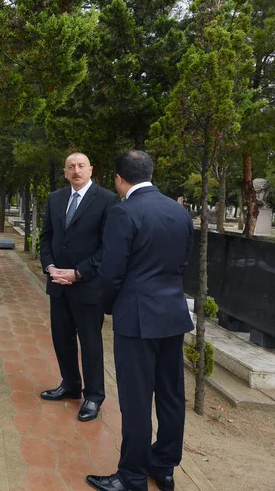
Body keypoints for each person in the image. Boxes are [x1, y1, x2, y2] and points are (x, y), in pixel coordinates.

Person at [86, 151, 194, 491]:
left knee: (136, 399)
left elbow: (110, 272)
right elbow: (183, 263)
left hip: (136, 318)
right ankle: (163, 467)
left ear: (119, 178)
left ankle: (132, 477)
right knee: (171, 395)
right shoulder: (179, 211)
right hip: (173, 314)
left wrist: (106, 307)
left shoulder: (124, 212)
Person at [39, 152, 120, 422]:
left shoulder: (107, 200)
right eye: (71, 167)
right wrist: (50, 268)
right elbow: (47, 236)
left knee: (90, 343)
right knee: (61, 339)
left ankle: (94, 396)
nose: (76, 170)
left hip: (87, 286)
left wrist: (78, 273)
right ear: (65, 172)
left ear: (91, 169)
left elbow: (107, 246)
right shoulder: (56, 198)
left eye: (81, 166)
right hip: (58, 284)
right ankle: (71, 385)